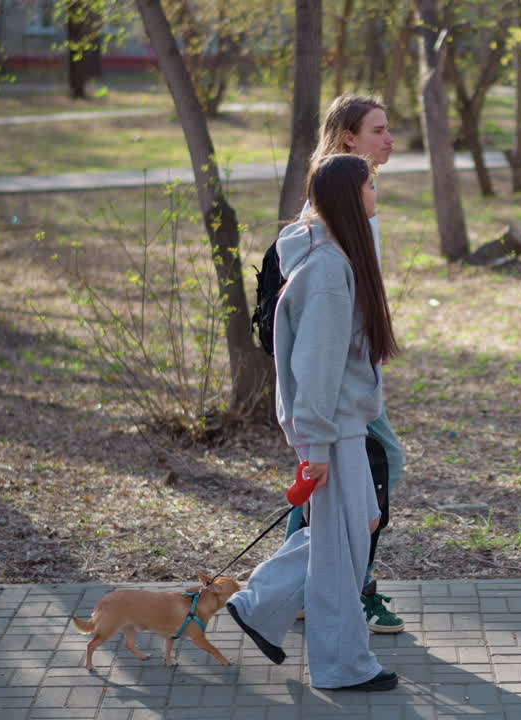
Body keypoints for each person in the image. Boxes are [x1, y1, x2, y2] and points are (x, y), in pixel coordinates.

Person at [227, 153, 400, 692]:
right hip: (334, 429)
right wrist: (317, 449)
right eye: (371, 187)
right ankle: (343, 665)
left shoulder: (333, 255)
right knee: (340, 554)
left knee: (356, 526)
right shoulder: (327, 270)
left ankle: (259, 605)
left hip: (343, 424)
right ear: (351, 197)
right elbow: (317, 367)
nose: (376, 195)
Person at [285, 93, 406, 635]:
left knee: (335, 480)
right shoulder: (336, 205)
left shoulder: (358, 197)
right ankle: (347, 585)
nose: (389, 139)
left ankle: (312, 586)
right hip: (340, 381)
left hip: (355, 372)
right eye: (378, 129)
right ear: (349, 137)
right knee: (375, 467)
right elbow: (323, 322)